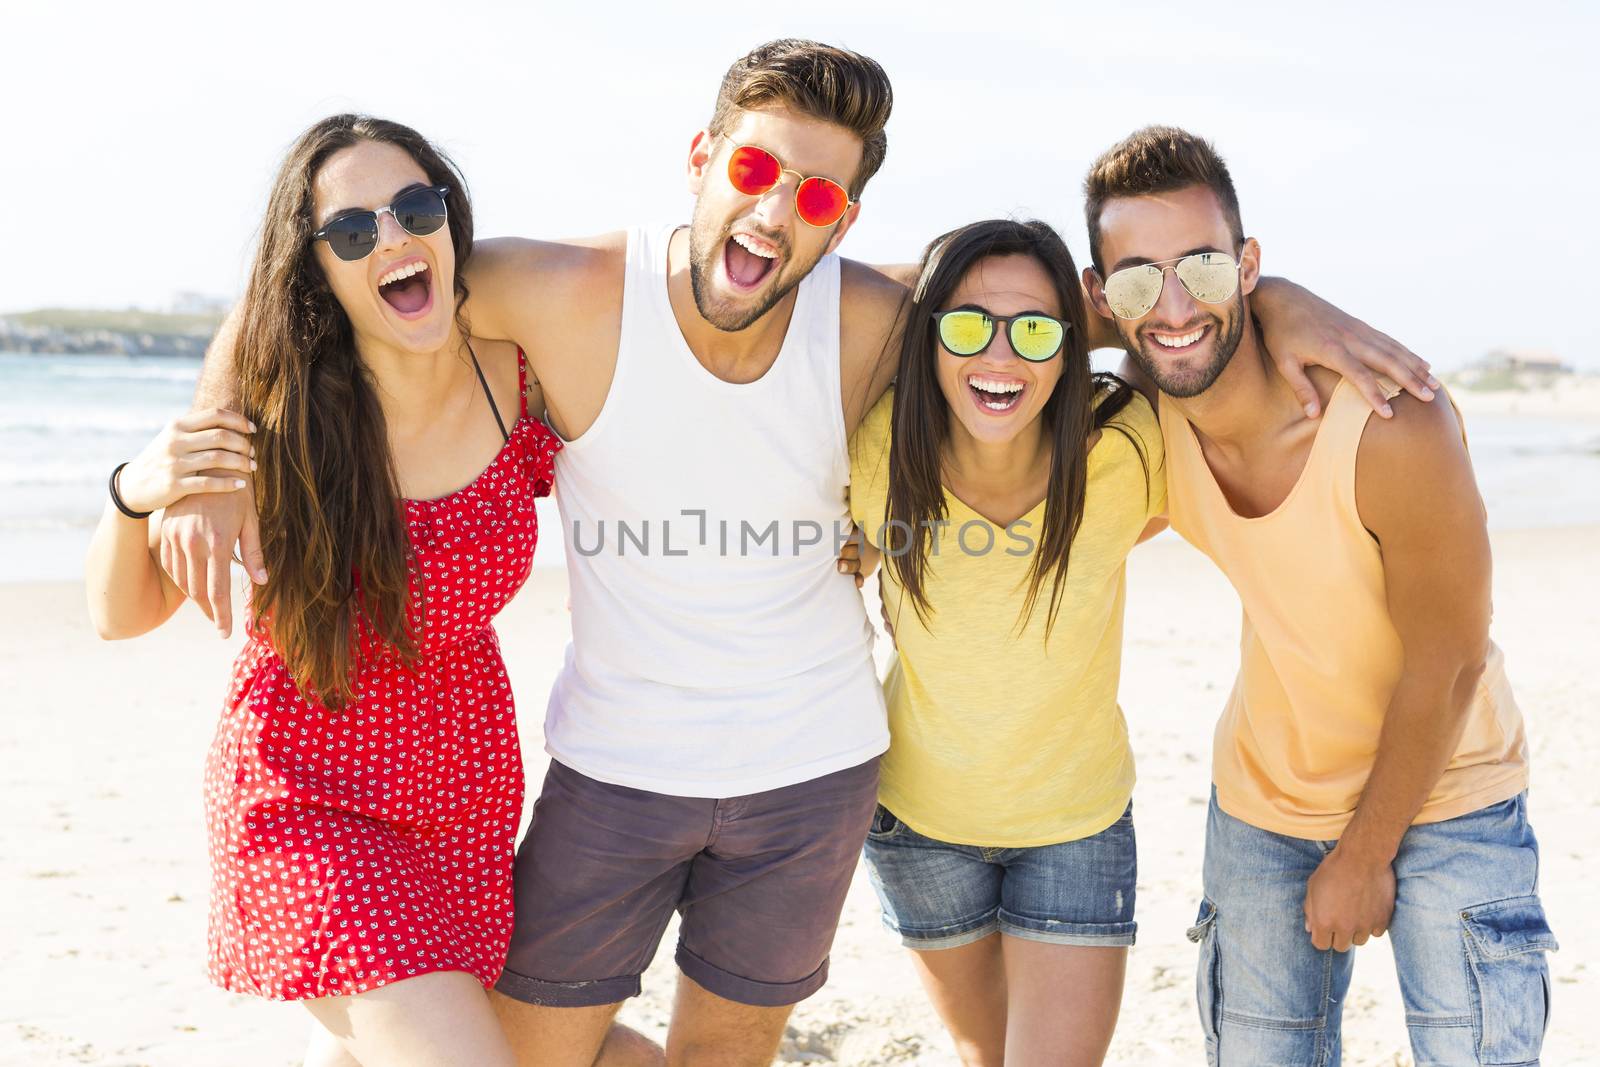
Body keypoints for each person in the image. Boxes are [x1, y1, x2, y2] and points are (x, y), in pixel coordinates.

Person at [159, 42, 1439, 1067]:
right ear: (704, 157)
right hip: (613, 768)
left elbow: (1106, 305)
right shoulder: (561, 290)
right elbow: (318, 279)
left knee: (727, 1050)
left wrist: (1280, 299)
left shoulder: (877, 319)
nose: (776, 212)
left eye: (817, 196)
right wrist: (210, 451)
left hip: (811, 779)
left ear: (848, 217)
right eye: (757, 170)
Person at [85, 114, 570, 1067]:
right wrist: (137, 491)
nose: (390, 236)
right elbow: (120, 614)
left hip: (464, 807)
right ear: (320, 267)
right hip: (306, 797)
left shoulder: (524, 370)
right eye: (352, 231)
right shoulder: (276, 417)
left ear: (448, 216)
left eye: (414, 207)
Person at [1082, 125, 1555, 1067]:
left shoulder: (1391, 423)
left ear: (1249, 263)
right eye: (1136, 280)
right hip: (1269, 798)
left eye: (1206, 267)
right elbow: (947, 303)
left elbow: (1449, 656)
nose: (1174, 305)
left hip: (1452, 790)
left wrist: (1366, 853)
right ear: (1100, 299)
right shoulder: (1148, 427)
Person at [845, 218, 1162, 1067]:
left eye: (1033, 330)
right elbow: (821, 298)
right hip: (917, 823)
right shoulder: (874, 449)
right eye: (964, 323)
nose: (999, 355)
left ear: (1069, 345)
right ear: (927, 336)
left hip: (1076, 822)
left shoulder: (1128, 450)